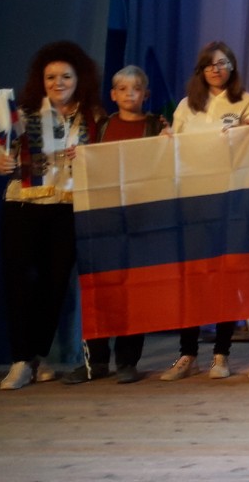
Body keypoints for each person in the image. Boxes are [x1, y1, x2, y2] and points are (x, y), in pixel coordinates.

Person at [0, 40, 106, 390]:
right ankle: (20, 360)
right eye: (50, 77)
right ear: (41, 80)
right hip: (23, 206)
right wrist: (1, 164)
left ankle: (37, 356)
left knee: (54, 286)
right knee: (20, 283)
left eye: (65, 76)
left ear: (78, 78)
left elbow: (108, 160)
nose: (58, 83)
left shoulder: (94, 117)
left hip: (68, 208)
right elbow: (0, 157)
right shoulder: (23, 113)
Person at [160, 41, 249, 382]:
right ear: (200, 70)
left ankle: (221, 354)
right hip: (193, 199)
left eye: (222, 63)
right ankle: (188, 354)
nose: (216, 69)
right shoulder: (187, 105)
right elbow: (174, 148)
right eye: (209, 64)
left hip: (230, 199)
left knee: (225, 275)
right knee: (193, 277)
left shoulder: (246, 101)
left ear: (232, 67)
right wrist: (166, 138)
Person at [63, 65, 167, 385]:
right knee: (100, 287)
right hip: (103, 216)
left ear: (146, 94)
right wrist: (78, 156)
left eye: (136, 88)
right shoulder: (102, 125)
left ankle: (127, 361)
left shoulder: (156, 125)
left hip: (141, 217)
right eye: (122, 89)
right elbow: (86, 160)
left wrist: (169, 142)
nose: (129, 94)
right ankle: (95, 362)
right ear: (113, 94)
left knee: (134, 288)